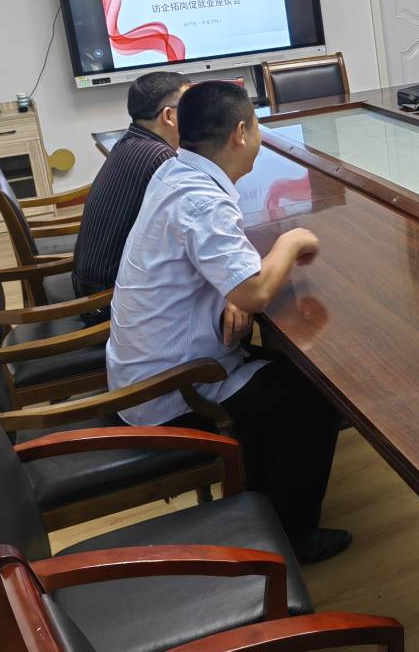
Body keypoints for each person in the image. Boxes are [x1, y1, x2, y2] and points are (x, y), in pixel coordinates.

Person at [105, 80, 348, 562]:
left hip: (145, 362)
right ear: (240, 133)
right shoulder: (202, 200)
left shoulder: (176, 172)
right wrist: (291, 242)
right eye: (256, 126)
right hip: (172, 385)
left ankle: (262, 507)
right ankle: (292, 535)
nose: (257, 135)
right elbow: (254, 292)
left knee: (284, 373)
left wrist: (232, 289)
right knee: (317, 395)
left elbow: (225, 275)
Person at [71, 71, 189, 312]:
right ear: (168, 116)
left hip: (91, 285)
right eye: (190, 107)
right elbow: (190, 228)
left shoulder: (131, 142)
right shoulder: (161, 158)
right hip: (110, 302)